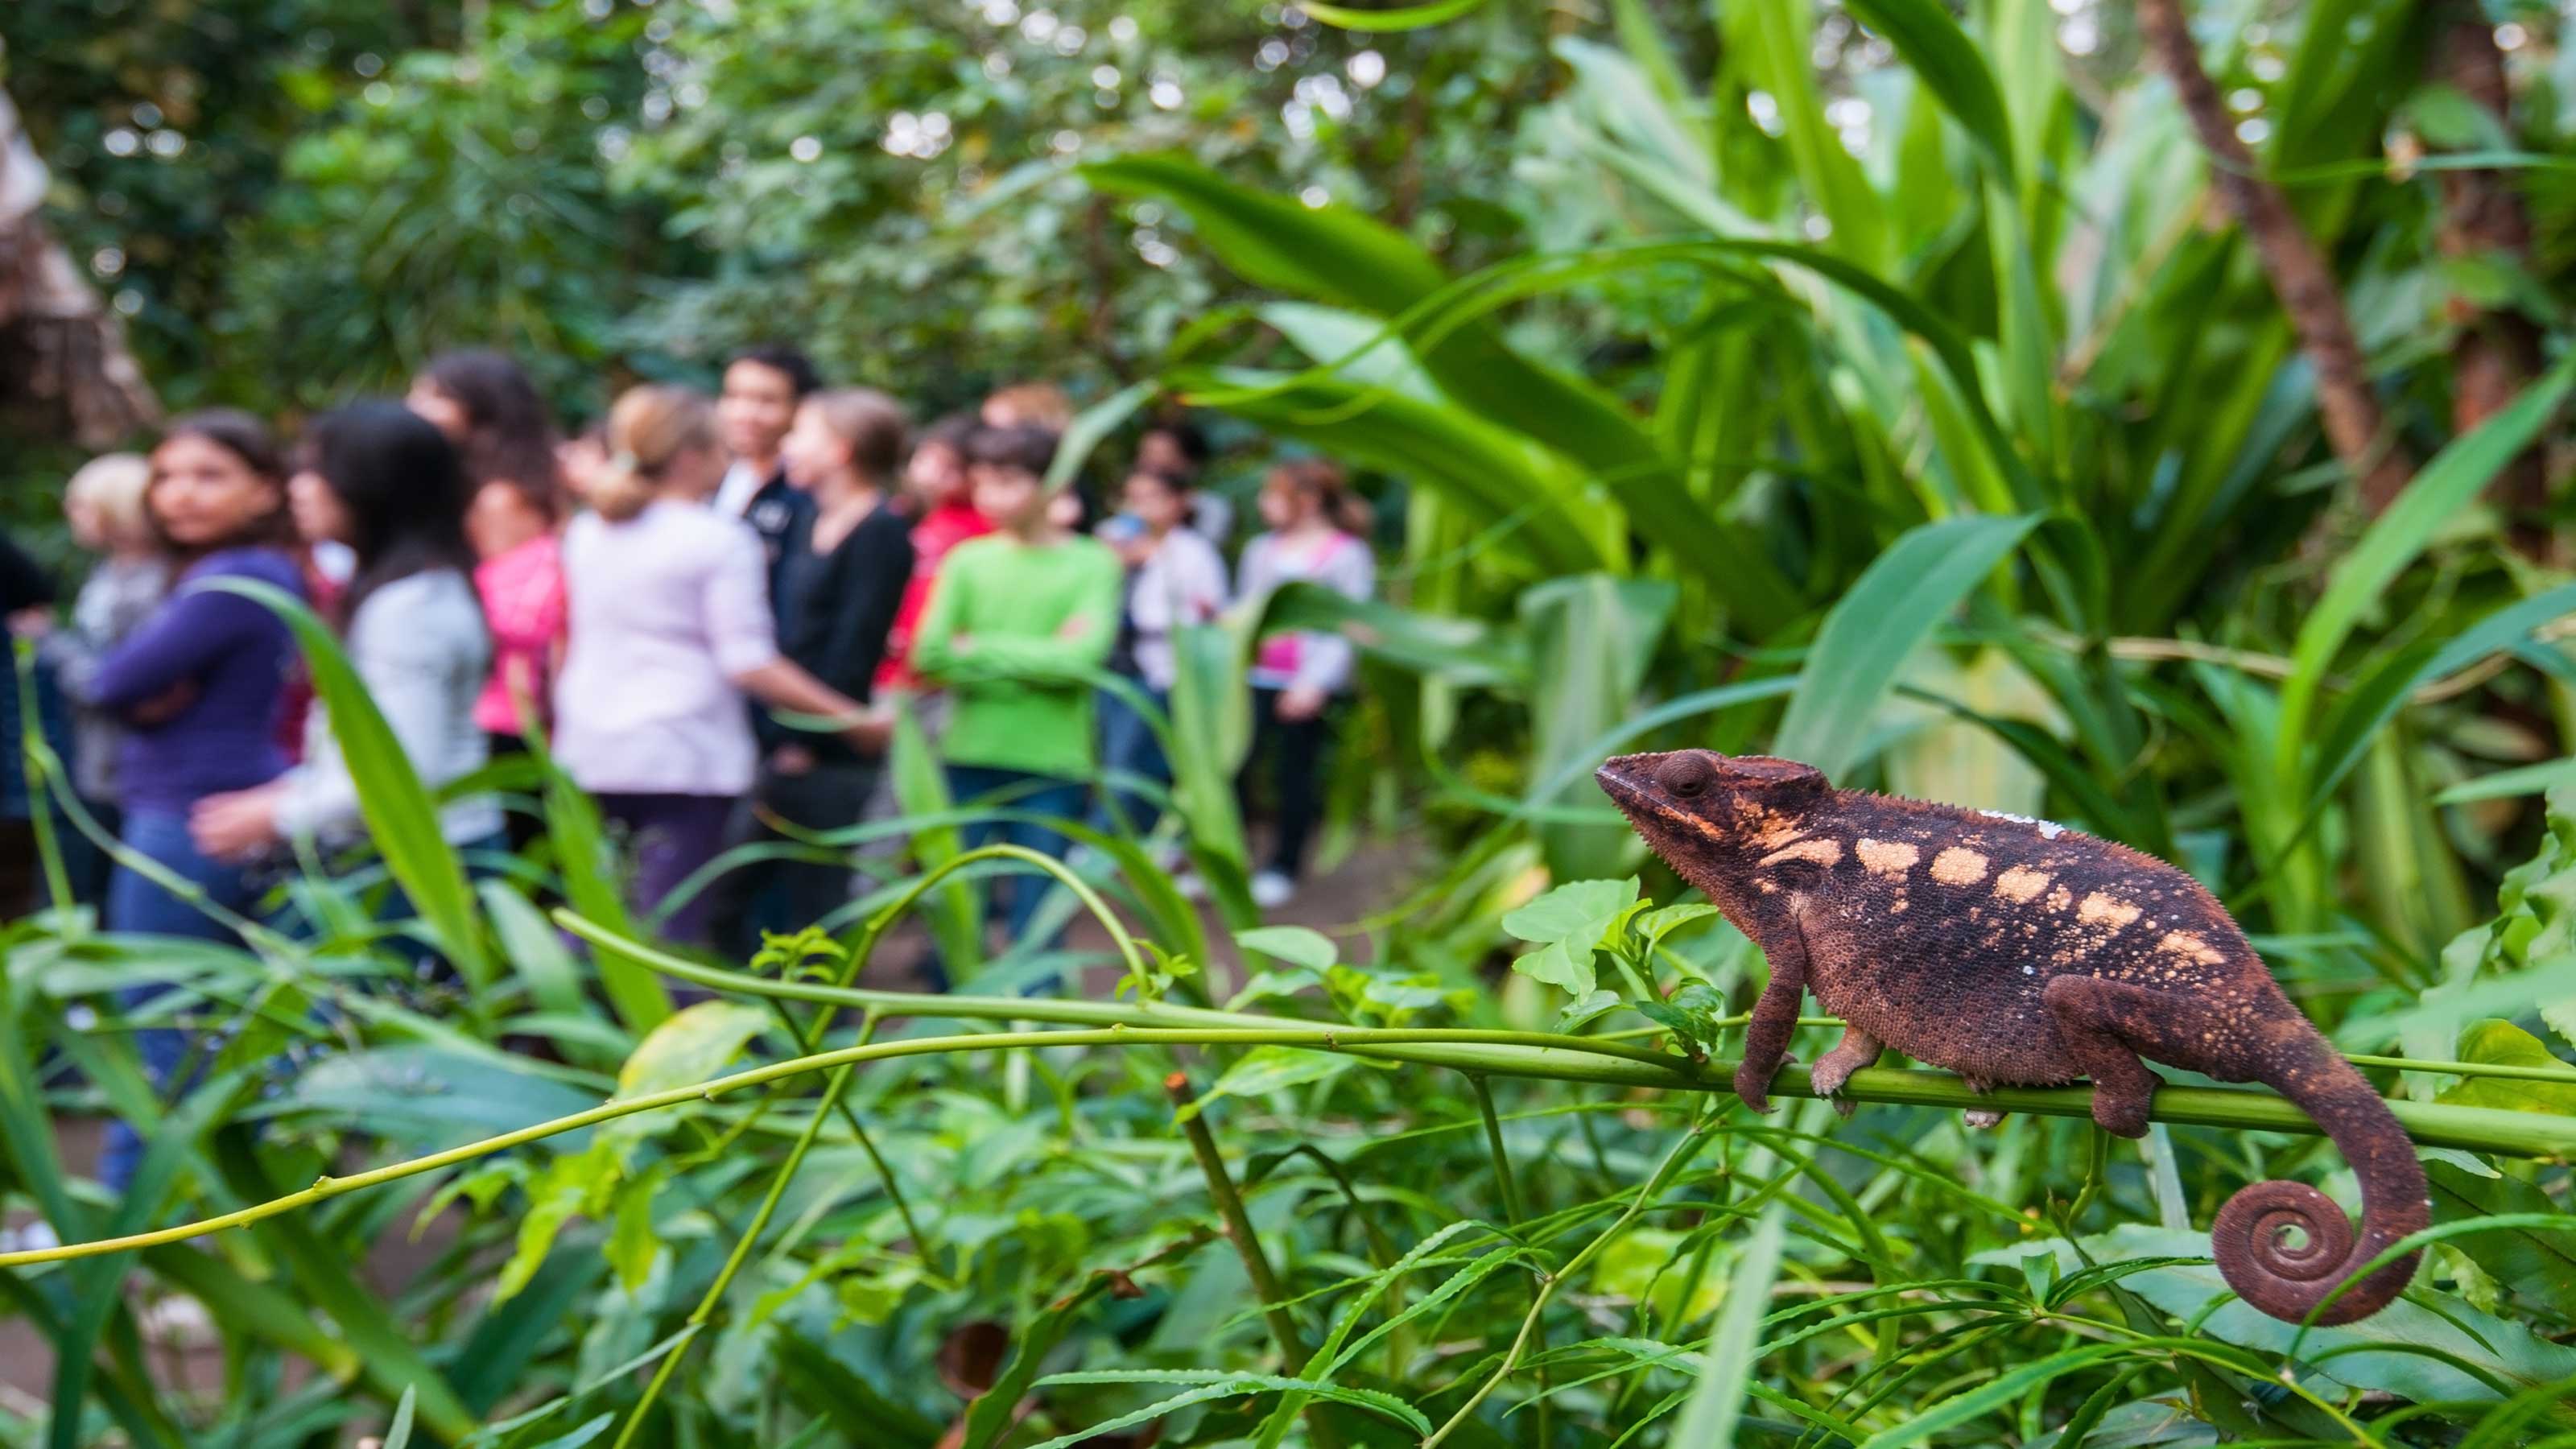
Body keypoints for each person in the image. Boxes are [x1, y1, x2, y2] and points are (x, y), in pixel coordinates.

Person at [553, 385, 886, 946]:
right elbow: (748, 661)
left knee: (594, 914)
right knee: (671, 925)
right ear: (689, 457)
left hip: (590, 743)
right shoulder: (719, 539)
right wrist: (852, 718)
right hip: (683, 754)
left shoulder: (589, 530)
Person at [80, 411, 305, 1190]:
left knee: (161, 1025)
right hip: (220, 801)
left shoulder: (232, 579)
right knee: (206, 1025)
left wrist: (130, 690)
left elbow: (111, 681)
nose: (180, 494)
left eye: (209, 475)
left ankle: (129, 1237)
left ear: (265, 488)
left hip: (195, 817)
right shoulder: (240, 573)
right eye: (167, 476)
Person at [189, 402, 503, 867]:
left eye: (319, 472)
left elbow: (401, 772)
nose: (299, 489)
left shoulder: (408, 611)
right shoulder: (409, 590)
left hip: (419, 864)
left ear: (374, 486)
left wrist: (276, 814)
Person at [714, 388, 914, 955]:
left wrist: (809, 737)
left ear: (842, 451)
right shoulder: (809, 520)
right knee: (742, 901)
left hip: (826, 750)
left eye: (802, 433)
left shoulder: (879, 531)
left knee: (816, 905)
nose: (788, 445)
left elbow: (853, 650)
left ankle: (825, 1027)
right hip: (785, 737)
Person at [911, 423, 1122, 953]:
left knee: (1040, 912)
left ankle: (1038, 1027)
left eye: (1007, 481)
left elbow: (1081, 661)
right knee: (958, 904)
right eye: (981, 482)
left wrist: (975, 648)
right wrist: (1039, 655)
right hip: (969, 751)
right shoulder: (967, 561)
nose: (990, 497)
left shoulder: (1093, 562)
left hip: (1053, 761)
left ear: (1053, 485)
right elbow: (929, 653)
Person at [22, 454, 171, 908]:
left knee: (90, 890)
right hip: (91, 755)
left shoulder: (154, 583)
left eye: (82, 505)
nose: (73, 516)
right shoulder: (112, 572)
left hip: (120, 767)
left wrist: (46, 641)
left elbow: (116, 680)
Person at [1234, 458, 1375, 910]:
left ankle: (1283, 865)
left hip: (1308, 682)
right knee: (1237, 766)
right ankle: (1233, 858)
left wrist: (1316, 682)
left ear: (1308, 500)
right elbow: (1247, 609)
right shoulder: (1260, 550)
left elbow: (1350, 625)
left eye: (1273, 495)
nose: (1264, 505)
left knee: (1295, 774)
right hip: (1254, 675)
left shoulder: (1347, 554)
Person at [1094, 466, 1227, 837]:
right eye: (1135, 499)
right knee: (1114, 758)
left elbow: (1209, 614)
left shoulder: (1192, 553)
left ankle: (1116, 840)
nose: (1143, 508)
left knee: (1136, 760)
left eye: (1154, 498)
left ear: (1179, 503)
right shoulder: (1111, 544)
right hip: (1111, 668)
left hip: (1159, 670)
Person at [876, 413, 992, 700]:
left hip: (939, 674)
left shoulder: (981, 527)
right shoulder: (898, 513)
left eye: (950, 467)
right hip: (890, 669)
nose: (931, 474)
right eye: (927, 459)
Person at [713, 343, 822, 611]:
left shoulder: (809, 493)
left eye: (766, 401)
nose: (744, 414)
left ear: (799, 409)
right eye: (733, 396)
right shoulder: (704, 481)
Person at [1137, 415, 1232, 546]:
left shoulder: (1212, 509)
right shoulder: (1129, 506)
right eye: (1147, 452)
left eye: (1162, 454)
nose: (1152, 462)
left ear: (1189, 462)